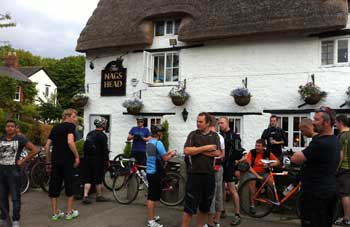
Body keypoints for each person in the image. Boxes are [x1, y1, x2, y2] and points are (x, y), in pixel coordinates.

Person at [291, 106, 340, 227]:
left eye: (317, 119)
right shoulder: (334, 140)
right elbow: (341, 158)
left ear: (327, 122)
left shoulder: (320, 143)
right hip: (329, 191)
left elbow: (296, 159)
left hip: (315, 195)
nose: (313, 122)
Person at [182, 112, 221, 227]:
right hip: (194, 175)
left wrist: (197, 150)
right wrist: (206, 148)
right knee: (189, 207)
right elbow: (187, 151)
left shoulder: (214, 136)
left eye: (200, 122)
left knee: (204, 207)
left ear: (208, 123)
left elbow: (217, 152)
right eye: (197, 121)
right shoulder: (193, 135)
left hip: (209, 175)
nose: (197, 124)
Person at [0, 120, 38, 227]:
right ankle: (4, 218)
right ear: (5, 128)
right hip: (1, 172)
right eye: (7, 126)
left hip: (14, 173)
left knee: (15, 198)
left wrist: (23, 160)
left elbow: (35, 149)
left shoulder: (20, 139)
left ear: (15, 128)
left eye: (12, 126)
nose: (9, 128)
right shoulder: (1, 138)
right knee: (2, 197)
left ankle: (16, 220)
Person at [45, 108, 80, 221]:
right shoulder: (70, 126)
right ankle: (69, 212)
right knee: (70, 184)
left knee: (54, 185)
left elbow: (47, 146)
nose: (75, 119)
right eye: (74, 117)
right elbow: (70, 141)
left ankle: (55, 213)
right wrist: (77, 156)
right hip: (67, 161)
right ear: (67, 116)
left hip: (55, 161)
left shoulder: (55, 128)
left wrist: (48, 161)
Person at [145, 125, 176, 227]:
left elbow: (159, 155)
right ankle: (151, 221)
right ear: (158, 134)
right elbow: (165, 159)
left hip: (149, 171)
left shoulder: (149, 142)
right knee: (152, 197)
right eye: (161, 132)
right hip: (155, 172)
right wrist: (172, 154)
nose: (162, 134)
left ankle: (152, 217)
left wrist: (168, 153)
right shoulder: (158, 143)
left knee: (152, 196)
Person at [217, 117, 243, 226]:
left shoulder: (235, 136)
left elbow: (239, 152)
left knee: (232, 190)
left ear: (227, 123)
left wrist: (229, 159)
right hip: (220, 165)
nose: (220, 125)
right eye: (218, 123)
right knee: (221, 189)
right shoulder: (218, 135)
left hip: (230, 166)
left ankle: (237, 215)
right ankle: (223, 211)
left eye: (222, 123)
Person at [246, 139, 280, 214]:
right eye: (256, 145)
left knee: (271, 183)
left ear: (263, 147)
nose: (256, 147)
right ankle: (252, 205)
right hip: (253, 172)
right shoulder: (252, 152)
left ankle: (272, 204)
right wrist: (257, 175)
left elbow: (277, 161)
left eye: (259, 146)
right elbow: (248, 166)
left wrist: (270, 165)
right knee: (252, 183)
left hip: (264, 173)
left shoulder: (267, 153)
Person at [81, 118, 110, 204]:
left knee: (88, 178)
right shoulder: (103, 136)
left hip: (87, 159)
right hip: (97, 159)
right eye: (105, 124)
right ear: (103, 125)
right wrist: (107, 160)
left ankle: (85, 196)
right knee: (98, 178)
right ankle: (99, 196)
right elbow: (104, 150)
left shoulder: (90, 133)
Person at [204, 116, 225, 227]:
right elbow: (222, 154)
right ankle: (216, 221)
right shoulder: (220, 137)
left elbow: (221, 155)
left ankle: (210, 222)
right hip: (216, 167)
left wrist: (207, 155)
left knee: (211, 194)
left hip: (213, 168)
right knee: (217, 193)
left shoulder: (214, 137)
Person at [334, 115, 350, 226]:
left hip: (344, 168)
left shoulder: (341, 136)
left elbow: (339, 155)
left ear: (340, 122)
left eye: (336, 122)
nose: (335, 124)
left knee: (344, 194)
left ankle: (347, 219)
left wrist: (335, 169)